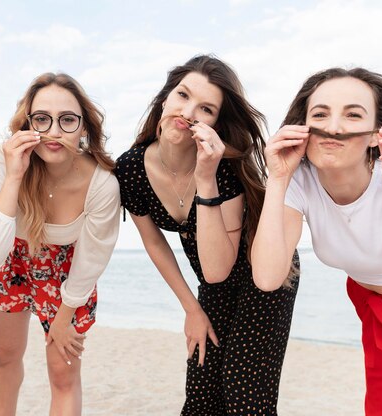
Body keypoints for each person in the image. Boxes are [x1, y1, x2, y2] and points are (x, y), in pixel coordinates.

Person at [115, 55, 299, 415]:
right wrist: (192, 310)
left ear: (216, 122)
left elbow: (220, 268)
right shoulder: (131, 168)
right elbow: (154, 243)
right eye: (182, 96)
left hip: (264, 274)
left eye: (206, 108)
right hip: (212, 283)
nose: (188, 112)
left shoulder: (224, 169)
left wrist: (206, 177)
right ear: (164, 98)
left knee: (244, 394)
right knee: (201, 395)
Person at [251, 67, 382, 415]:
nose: (333, 127)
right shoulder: (297, 179)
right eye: (320, 114)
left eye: (353, 115)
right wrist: (276, 179)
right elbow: (267, 276)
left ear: (373, 135)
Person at [0, 72, 120, 416]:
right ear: (27, 123)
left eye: (67, 120)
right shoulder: (0, 161)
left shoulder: (102, 184)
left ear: (84, 127)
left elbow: (93, 258)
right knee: (5, 355)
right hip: (10, 259)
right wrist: (14, 176)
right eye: (42, 119)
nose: (54, 131)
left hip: (68, 272)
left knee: (63, 374)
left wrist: (64, 317)